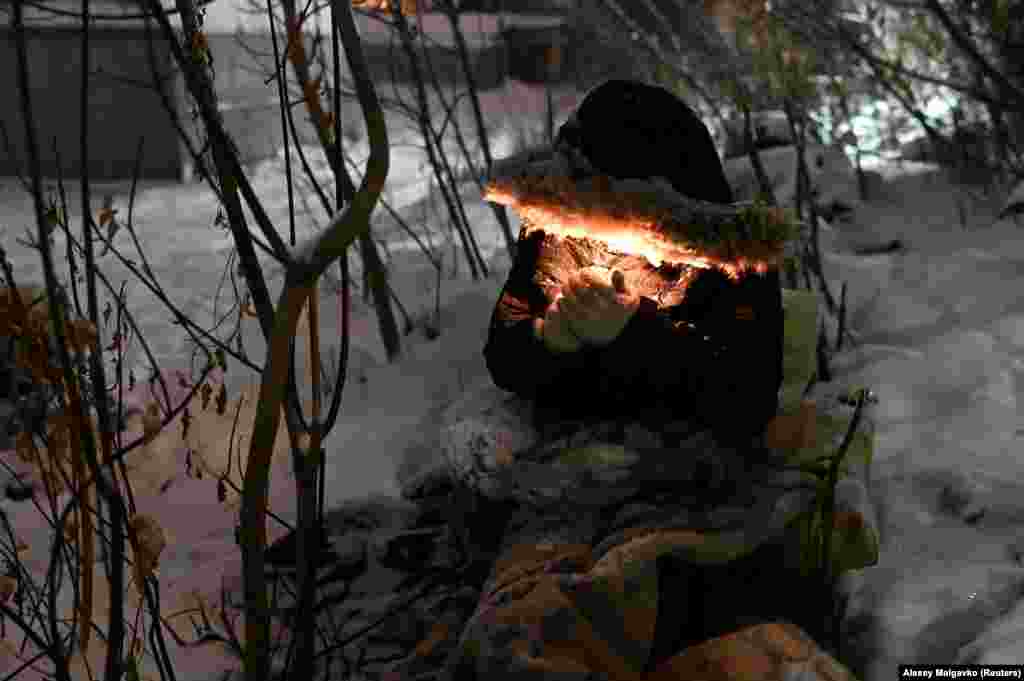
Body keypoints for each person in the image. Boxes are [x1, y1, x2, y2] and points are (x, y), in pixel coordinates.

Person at [483, 79, 784, 449]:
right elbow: (504, 353)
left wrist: (635, 331)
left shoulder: (735, 259)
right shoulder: (556, 227)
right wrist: (547, 341)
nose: (605, 247)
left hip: (691, 478)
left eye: (621, 229)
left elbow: (748, 402)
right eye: (589, 222)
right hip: (571, 465)